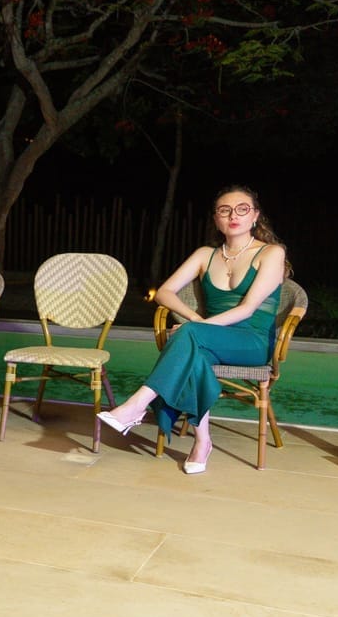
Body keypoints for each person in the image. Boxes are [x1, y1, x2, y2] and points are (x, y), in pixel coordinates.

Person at [98, 185, 287, 474]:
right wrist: (194, 319)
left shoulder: (271, 253)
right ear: (216, 219)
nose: (233, 215)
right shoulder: (205, 255)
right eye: (224, 210)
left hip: (252, 341)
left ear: (255, 216)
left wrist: (195, 327)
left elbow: (247, 309)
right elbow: (165, 292)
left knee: (189, 335)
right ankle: (203, 442)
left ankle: (136, 405)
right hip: (209, 338)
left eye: (242, 209)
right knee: (195, 353)